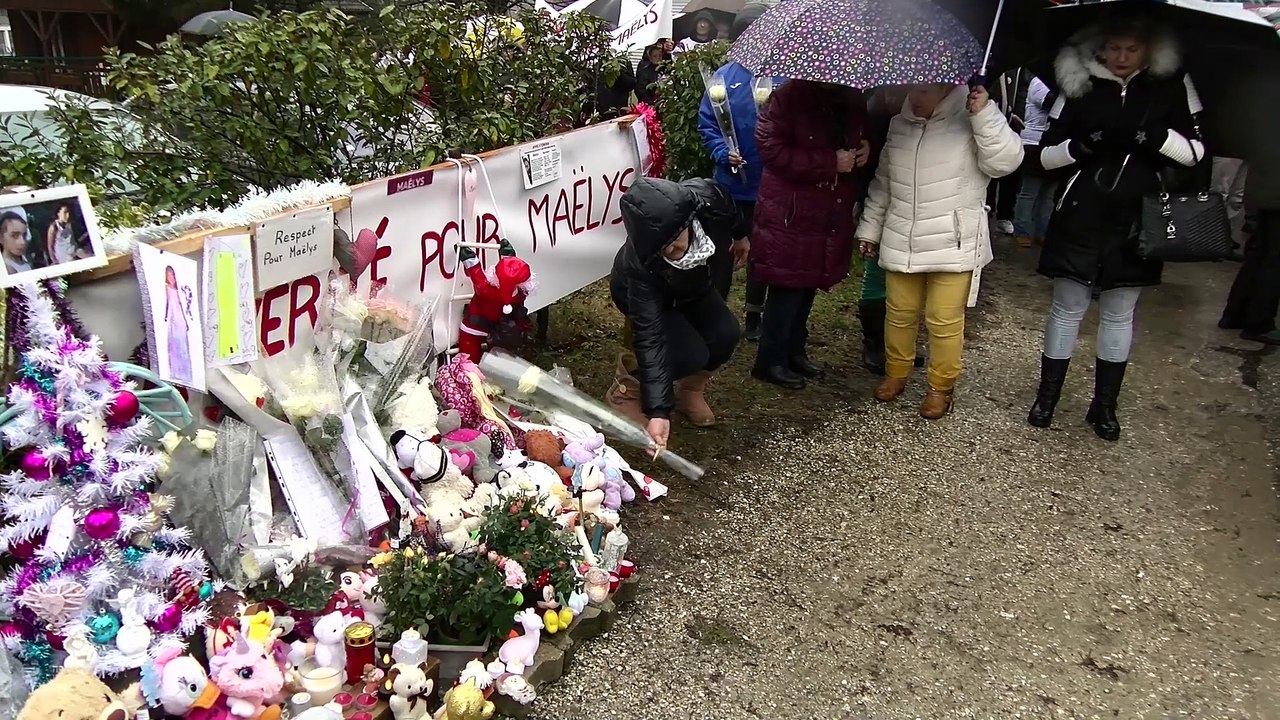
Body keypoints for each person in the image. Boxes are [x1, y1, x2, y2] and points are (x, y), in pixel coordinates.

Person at [1029, 16, 1203, 440]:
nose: (1122, 58)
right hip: (1081, 212)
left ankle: (1104, 406)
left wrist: (1154, 137)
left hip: (1137, 219)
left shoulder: (1173, 84)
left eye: (1132, 49)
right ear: (1100, 47)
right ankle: (1046, 398)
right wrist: (1083, 146)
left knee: (1119, 313)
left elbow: (1197, 153)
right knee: (1067, 307)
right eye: (1114, 48)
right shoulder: (1076, 82)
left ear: (1148, 49)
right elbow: (1042, 156)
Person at [855, 83, 1023, 418]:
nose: (916, 98)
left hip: (953, 239)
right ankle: (897, 373)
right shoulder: (899, 124)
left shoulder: (972, 119)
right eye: (912, 91)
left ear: (947, 90)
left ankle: (940, 388)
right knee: (899, 314)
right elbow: (884, 183)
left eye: (925, 92)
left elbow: (1005, 162)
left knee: (944, 320)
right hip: (902, 235)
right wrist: (870, 230)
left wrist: (985, 115)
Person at [605, 177, 742, 447]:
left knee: (725, 334)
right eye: (662, 247)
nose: (671, 250)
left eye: (674, 238)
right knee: (687, 354)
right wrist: (659, 411)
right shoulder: (641, 265)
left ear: (687, 221)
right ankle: (627, 389)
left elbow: (731, 211)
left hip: (693, 287)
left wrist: (741, 235)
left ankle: (690, 390)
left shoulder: (708, 200)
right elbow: (651, 336)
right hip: (644, 295)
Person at [751, 80, 869, 389]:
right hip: (791, 210)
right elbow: (770, 149)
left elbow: (859, 137)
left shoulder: (850, 98)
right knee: (787, 285)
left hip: (827, 208)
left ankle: (794, 351)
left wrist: (866, 148)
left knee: (808, 283)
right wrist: (829, 162)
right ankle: (770, 360)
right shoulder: (787, 97)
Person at [697, 2, 774, 339]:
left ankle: (755, 315)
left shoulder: (781, 78)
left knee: (764, 253)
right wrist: (722, 150)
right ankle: (717, 314)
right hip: (729, 187)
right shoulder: (724, 77)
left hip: (770, 186)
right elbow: (708, 123)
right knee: (723, 253)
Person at [1218, 68, 1280, 345]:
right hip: (1275, 184)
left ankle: (1236, 314)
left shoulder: (1265, 84)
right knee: (1273, 258)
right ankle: (1258, 322)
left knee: (1259, 252)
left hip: (1264, 180)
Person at [858, 85, 911, 376]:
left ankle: (898, 344)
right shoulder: (869, 114)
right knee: (876, 272)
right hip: (877, 196)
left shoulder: (916, 117)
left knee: (907, 278)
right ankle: (873, 342)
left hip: (910, 201)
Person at [1012, 75, 1059, 248]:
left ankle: (1042, 232)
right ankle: (1022, 231)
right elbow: (1049, 102)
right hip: (1033, 143)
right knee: (1030, 191)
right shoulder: (1039, 82)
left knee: (1047, 194)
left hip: (1054, 144)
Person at [163, 265, 193, 384]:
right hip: (173, 319)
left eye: (172, 275)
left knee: (183, 345)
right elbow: (166, 305)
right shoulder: (166, 289)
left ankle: (185, 373)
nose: (171, 277)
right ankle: (176, 373)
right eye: (168, 275)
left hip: (181, 319)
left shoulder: (181, 290)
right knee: (174, 345)